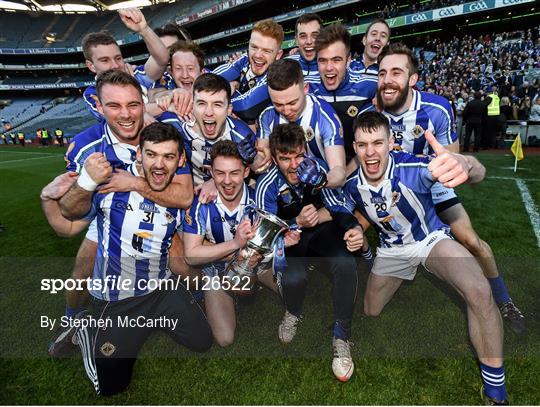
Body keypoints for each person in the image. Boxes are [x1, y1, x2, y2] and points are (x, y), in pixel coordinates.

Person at [342, 111, 508, 405]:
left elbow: (476, 172)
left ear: (391, 142)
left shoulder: (415, 167)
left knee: (479, 292)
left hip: (429, 240)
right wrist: (355, 229)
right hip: (393, 248)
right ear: (354, 147)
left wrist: (465, 163)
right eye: (362, 144)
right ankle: (405, 273)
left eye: (378, 143)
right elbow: (355, 210)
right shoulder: (351, 185)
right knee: (371, 311)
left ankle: (496, 392)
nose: (370, 152)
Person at [363, 43, 526, 333]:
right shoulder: (372, 111)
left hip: (433, 185)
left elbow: (450, 161)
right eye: (382, 72)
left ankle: (503, 299)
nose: (387, 80)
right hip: (396, 193)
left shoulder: (436, 108)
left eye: (396, 73)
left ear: (412, 79)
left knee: (471, 240)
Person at [40, 122, 212, 396]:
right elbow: (67, 228)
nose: (159, 164)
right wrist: (47, 198)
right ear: (138, 155)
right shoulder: (110, 185)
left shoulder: (179, 193)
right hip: (119, 300)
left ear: (180, 160)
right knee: (111, 386)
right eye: (151, 154)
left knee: (202, 341)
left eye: (168, 157)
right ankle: (85, 328)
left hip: (161, 289)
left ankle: (149, 323)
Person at [46, 70, 194, 357]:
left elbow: (185, 195)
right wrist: (86, 183)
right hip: (107, 212)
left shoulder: (164, 133)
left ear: (142, 103)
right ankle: (74, 320)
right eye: (114, 106)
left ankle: (188, 302)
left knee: (181, 260)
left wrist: (133, 182)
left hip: (160, 207)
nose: (126, 115)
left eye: (133, 105)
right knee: (84, 267)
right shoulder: (87, 146)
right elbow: (71, 214)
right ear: (99, 108)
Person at [255, 123, 364, 382]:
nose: (294, 165)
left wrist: (353, 227)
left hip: (320, 233)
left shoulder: (316, 169)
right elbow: (264, 239)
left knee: (345, 263)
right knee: (293, 279)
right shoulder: (266, 184)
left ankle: (341, 335)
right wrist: (297, 224)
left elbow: (340, 205)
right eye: (285, 158)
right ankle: (293, 310)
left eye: (298, 156)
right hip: (288, 242)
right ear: (274, 158)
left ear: (305, 151)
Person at [183, 140, 278, 346]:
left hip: (256, 265)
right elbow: (190, 255)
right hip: (216, 270)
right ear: (211, 173)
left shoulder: (258, 199)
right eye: (220, 173)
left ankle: (252, 286)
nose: (227, 181)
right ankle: (224, 295)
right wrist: (235, 243)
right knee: (225, 339)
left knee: (290, 288)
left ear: (245, 172)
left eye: (234, 173)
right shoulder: (201, 204)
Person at [257, 59, 346, 188]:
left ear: (305, 88)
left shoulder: (324, 118)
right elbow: (261, 165)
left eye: (292, 103)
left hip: (322, 190)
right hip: (287, 186)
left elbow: (340, 173)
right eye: (278, 104)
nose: (286, 111)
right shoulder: (267, 116)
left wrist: (321, 180)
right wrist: (251, 158)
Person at [177, 73, 268, 192]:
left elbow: (263, 168)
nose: (209, 112)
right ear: (192, 106)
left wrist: (253, 159)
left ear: (229, 110)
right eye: (202, 103)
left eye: (217, 104)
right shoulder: (180, 134)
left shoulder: (240, 134)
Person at [310, 23, 378, 163]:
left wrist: (384, 98)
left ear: (348, 61)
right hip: (320, 168)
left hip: (359, 166)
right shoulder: (307, 88)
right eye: (322, 61)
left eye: (336, 60)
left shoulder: (369, 86)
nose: (329, 68)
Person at [213, 19, 284, 124]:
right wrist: (232, 85)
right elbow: (209, 79)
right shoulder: (245, 59)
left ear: (278, 55)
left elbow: (246, 108)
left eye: (266, 51)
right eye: (254, 47)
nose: (258, 55)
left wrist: (224, 91)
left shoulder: (276, 74)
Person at [286, 13, 322, 83]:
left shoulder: (337, 66)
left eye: (315, 35)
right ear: (296, 40)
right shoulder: (285, 65)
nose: (309, 41)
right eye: (303, 36)